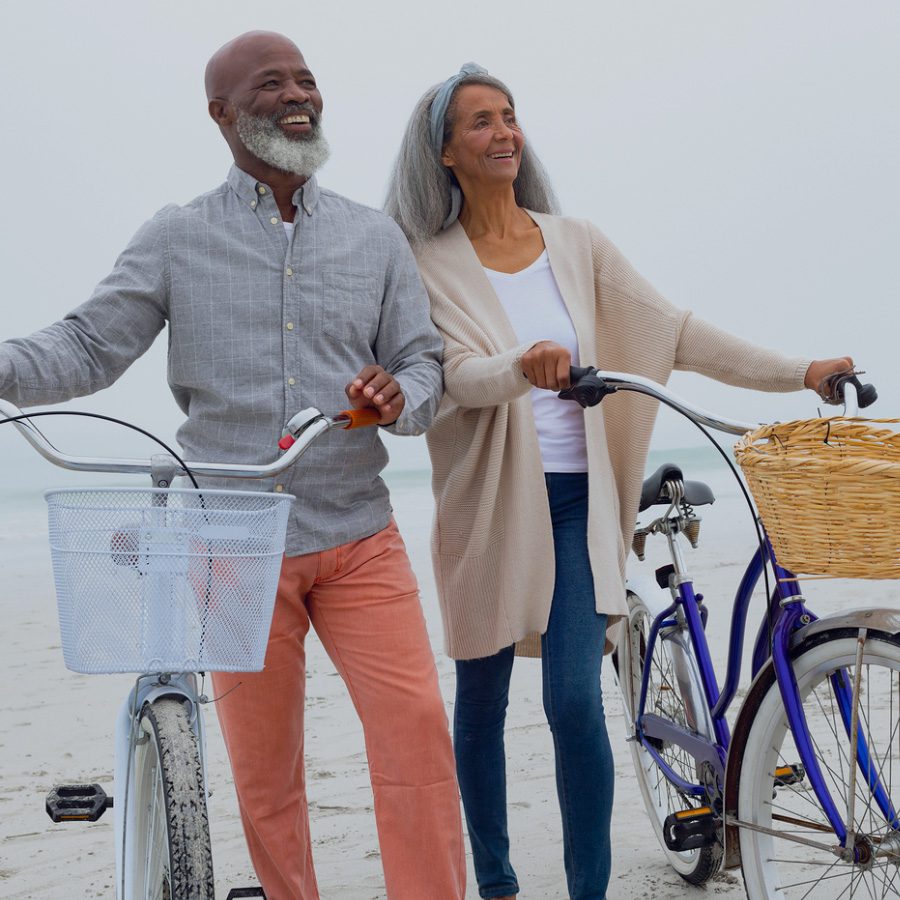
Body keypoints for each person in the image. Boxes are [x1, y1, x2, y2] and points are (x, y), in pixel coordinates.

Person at [0, 32, 465, 900]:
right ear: (221, 112)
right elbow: (90, 344)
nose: (298, 94)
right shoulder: (177, 237)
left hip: (360, 534)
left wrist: (400, 394)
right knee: (265, 772)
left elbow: (423, 363)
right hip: (233, 546)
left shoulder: (376, 239)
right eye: (270, 84)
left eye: (307, 80)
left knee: (414, 737)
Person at [384, 63, 853, 900]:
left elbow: (673, 330)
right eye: (481, 123)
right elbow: (453, 375)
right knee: (482, 692)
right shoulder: (428, 263)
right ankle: (495, 882)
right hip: (486, 509)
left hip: (576, 505)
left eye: (510, 116)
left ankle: (586, 892)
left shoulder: (576, 243)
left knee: (571, 699)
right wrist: (521, 367)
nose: (504, 134)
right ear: (445, 153)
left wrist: (799, 370)